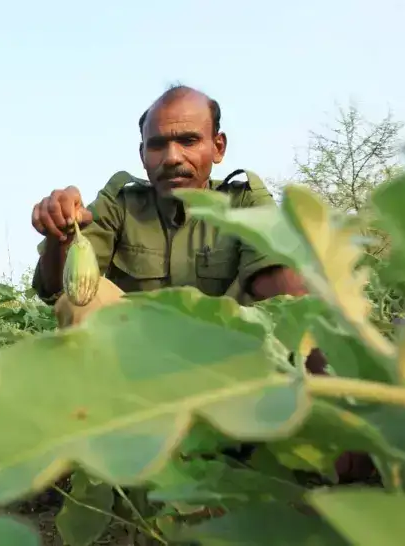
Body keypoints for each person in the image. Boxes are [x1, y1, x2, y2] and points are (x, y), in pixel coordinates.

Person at [30, 84, 374, 482]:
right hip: (142, 372)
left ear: (218, 146)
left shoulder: (244, 201)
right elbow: (57, 288)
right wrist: (63, 236)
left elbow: (284, 289)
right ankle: (121, 445)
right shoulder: (119, 204)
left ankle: (262, 434)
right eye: (157, 145)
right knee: (81, 301)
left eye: (189, 140)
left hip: (231, 371)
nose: (172, 158)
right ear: (142, 155)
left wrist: (340, 402)